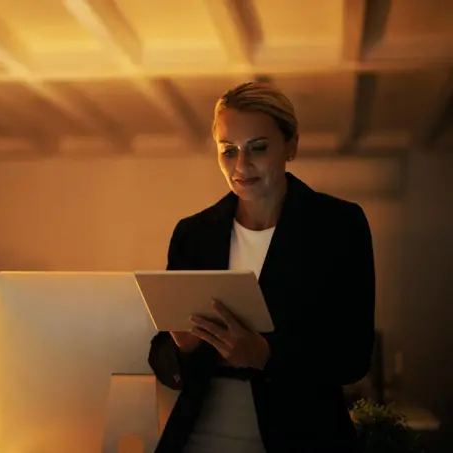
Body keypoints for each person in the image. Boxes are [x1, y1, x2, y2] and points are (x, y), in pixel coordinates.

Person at [148, 81, 375, 453]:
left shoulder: (339, 225)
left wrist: (266, 356)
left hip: (302, 438)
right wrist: (182, 348)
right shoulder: (193, 233)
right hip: (197, 439)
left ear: (291, 145)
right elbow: (163, 359)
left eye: (258, 148)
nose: (241, 166)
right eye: (228, 151)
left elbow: (352, 357)